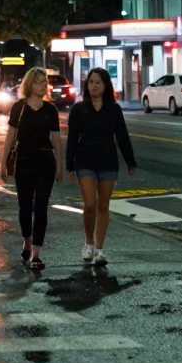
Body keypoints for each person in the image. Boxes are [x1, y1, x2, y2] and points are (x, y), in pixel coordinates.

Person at [66, 67, 136, 267]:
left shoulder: (114, 109)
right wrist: (69, 164)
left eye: (98, 82)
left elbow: (122, 136)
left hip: (107, 160)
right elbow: (72, 139)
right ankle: (88, 244)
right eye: (90, 82)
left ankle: (99, 250)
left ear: (105, 85)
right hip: (85, 160)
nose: (93, 85)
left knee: (104, 205)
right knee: (90, 204)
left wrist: (130, 161)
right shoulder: (78, 109)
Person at [0, 67, 62, 271]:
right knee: (25, 206)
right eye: (38, 82)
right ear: (29, 84)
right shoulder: (19, 107)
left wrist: (60, 165)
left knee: (41, 207)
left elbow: (56, 140)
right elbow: (11, 136)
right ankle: (26, 241)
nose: (43, 86)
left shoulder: (50, 110)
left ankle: (36, 254)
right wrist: (3, 161)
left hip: (45, 160)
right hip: (24, 160)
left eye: (44, 82)